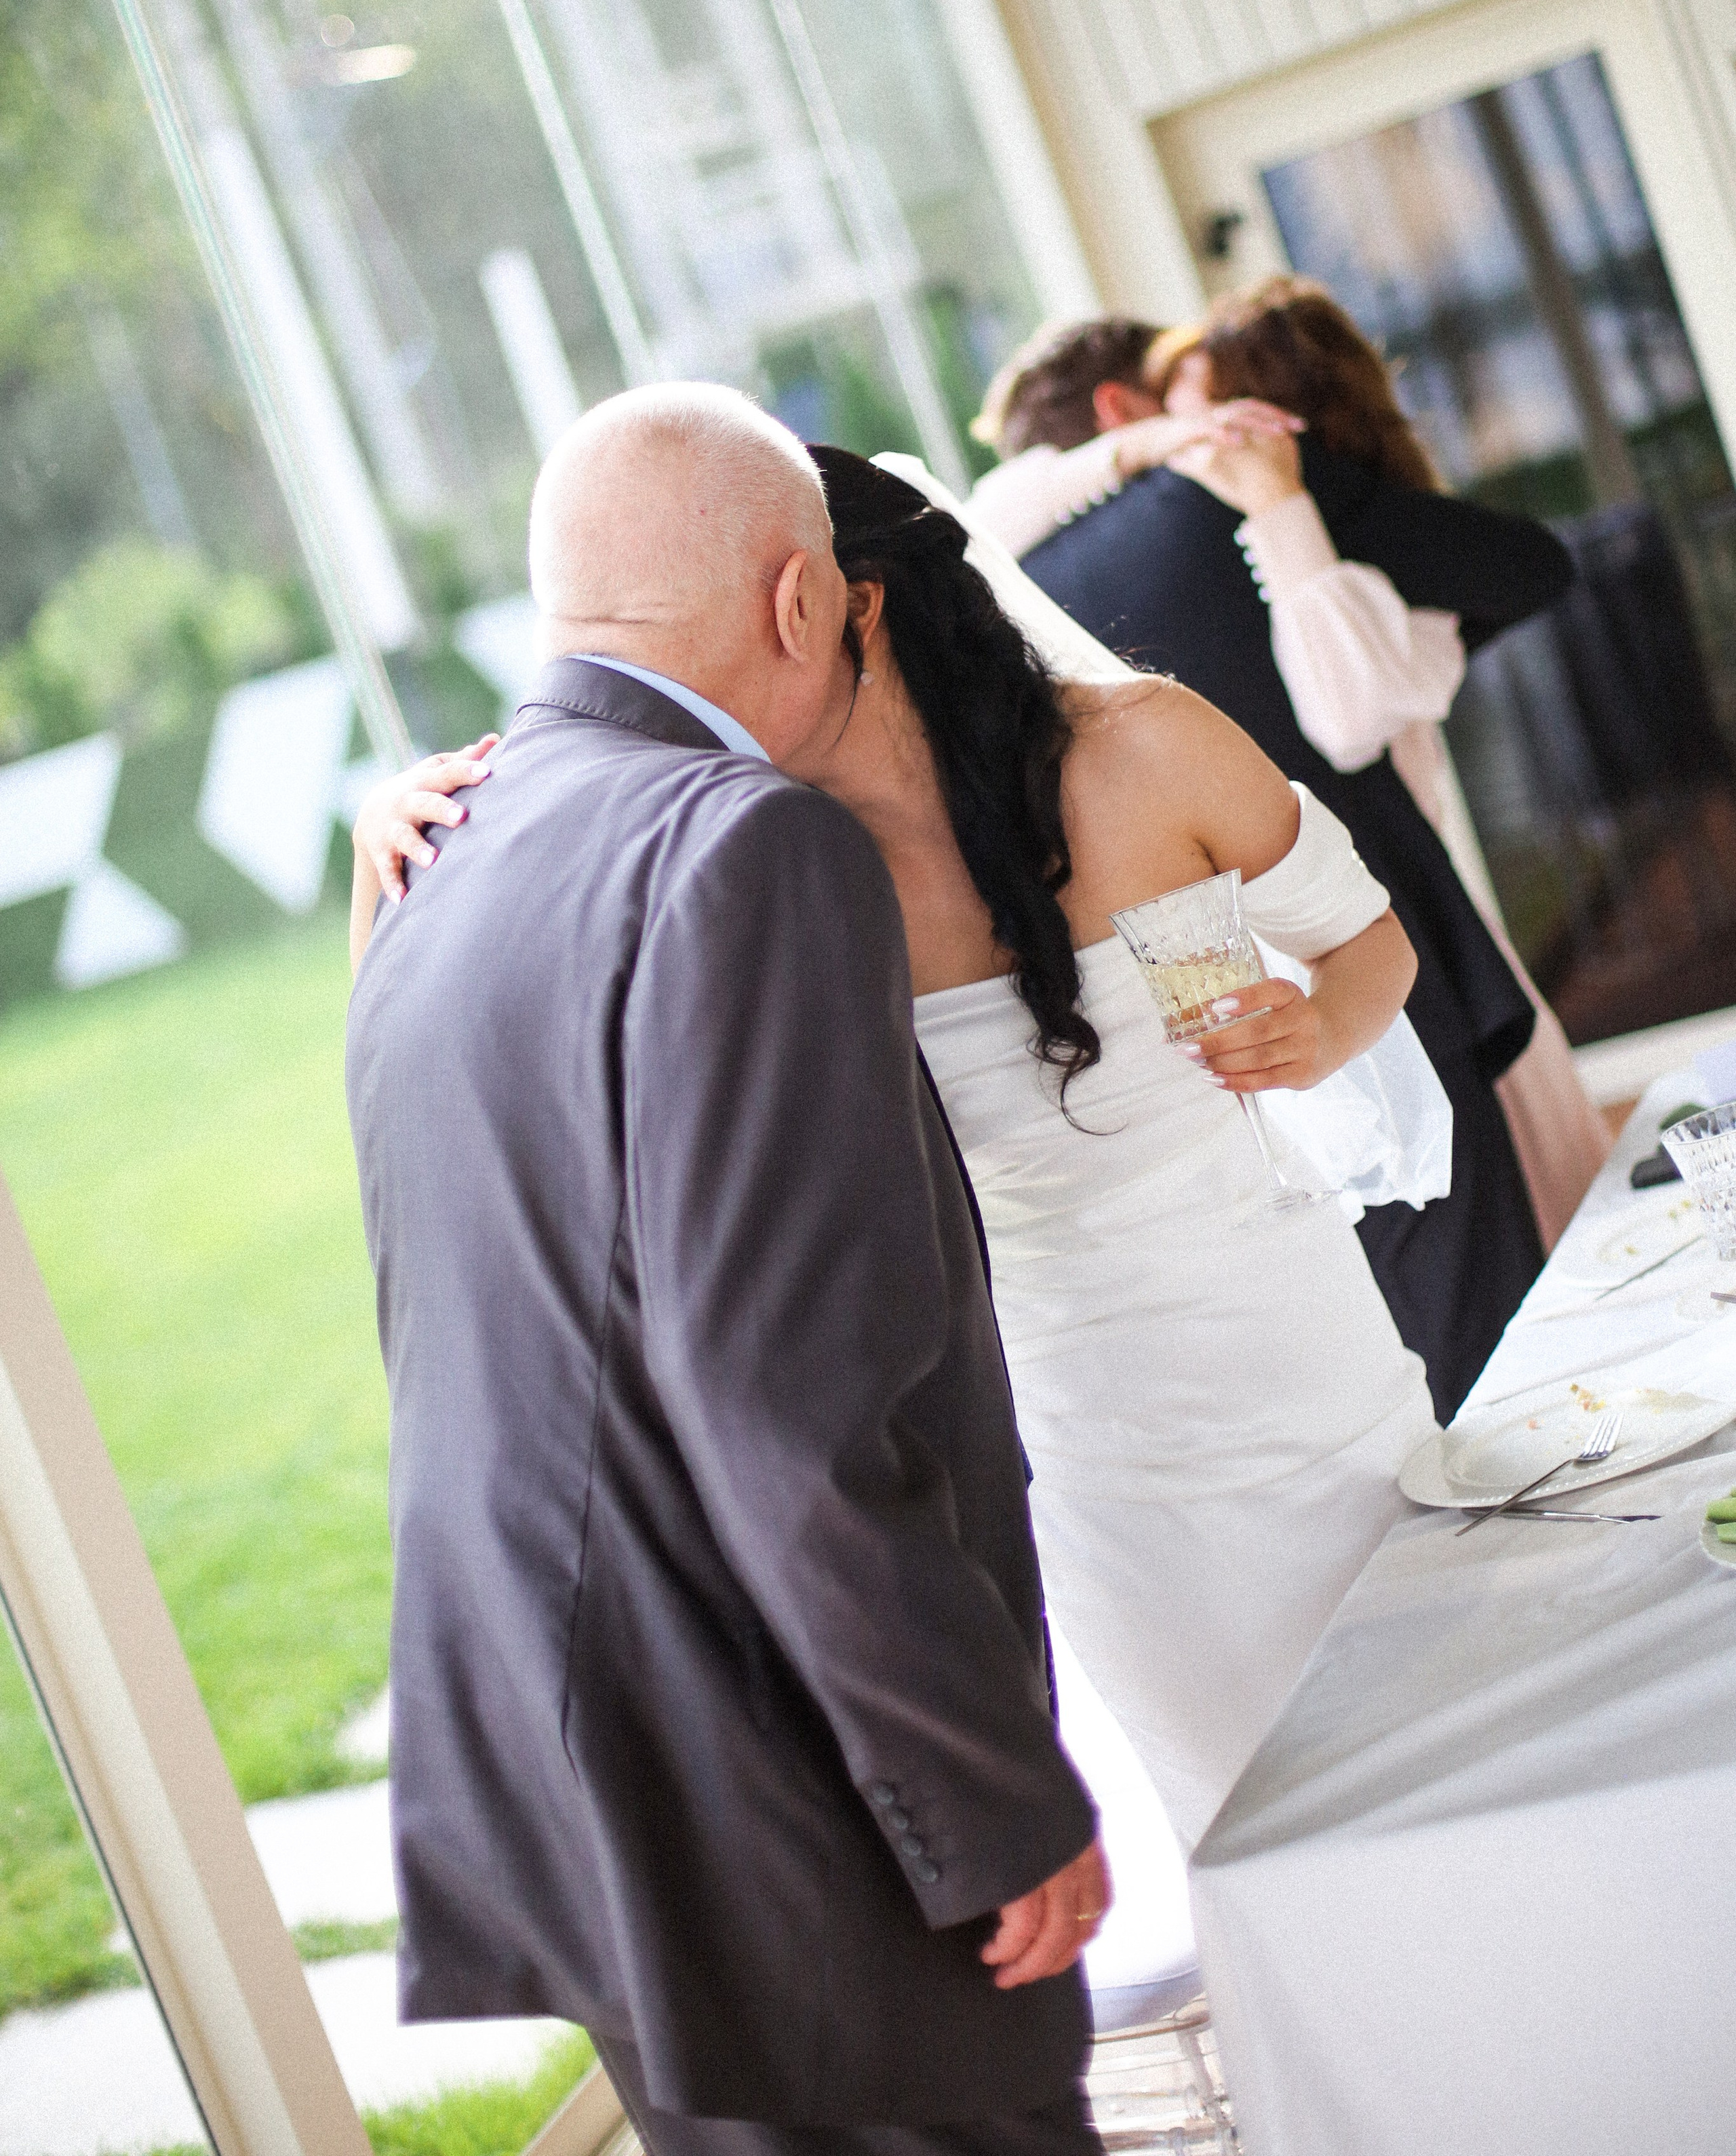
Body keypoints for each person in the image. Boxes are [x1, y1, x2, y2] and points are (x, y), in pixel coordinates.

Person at [354, 439, 1437, 1858]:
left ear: (837, 604)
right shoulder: (763, 874)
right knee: (1259, 1831)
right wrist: (382, 867)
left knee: (1442, 1740)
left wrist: (1313, 1033)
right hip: (1089, 1455)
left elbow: (1366, 944)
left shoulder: (1141, 746)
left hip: (1308, 1367)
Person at [346, 385, 1110, 2156]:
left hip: (574, 1779)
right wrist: (986, 1808)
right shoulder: (748, 849)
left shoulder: (425, 855)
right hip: (773, 1780)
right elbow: (788, 1407)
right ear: (796, 603)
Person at [973, 283, 1577, 1417]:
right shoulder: (1237, 493)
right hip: (1367, 957)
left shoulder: (999, 587)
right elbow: (1523, 569)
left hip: (1185, 1027)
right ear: (1129, 407)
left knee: (1366, 1358)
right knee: (1488, 1336)